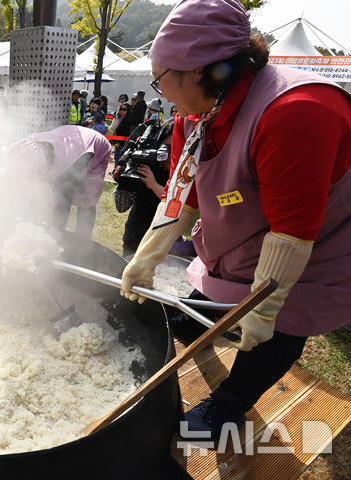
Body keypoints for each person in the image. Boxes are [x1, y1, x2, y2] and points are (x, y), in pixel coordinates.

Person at [120, 0, 351, 446]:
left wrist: (262, 309)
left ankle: (227, 406)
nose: (159, 90)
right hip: (248, 228)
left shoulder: (297, 110)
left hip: (317, 240)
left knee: (279, 321)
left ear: (202, 70)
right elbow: (181, 191)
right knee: (211, 291)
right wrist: (146, 258)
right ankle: (202, 323)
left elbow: (291, 233)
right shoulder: (194, 112)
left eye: (162, 77)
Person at [5, 125, 113, 237]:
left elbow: (64, 198)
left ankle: (83, 239)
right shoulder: (25, 148)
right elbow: (16, 184)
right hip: (68, 139)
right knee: (45, 191)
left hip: (93, 146)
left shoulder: (67, 165)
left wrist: (55, 231)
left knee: (87, 196)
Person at [111, 119, 174, 257]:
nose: (168, 154)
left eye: (175, 148)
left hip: (163, 244)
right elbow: (122, 207)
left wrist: (153, 185)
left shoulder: (182, 174)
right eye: (165, 146)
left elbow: (177, 204)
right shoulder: (146, 166)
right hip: (134, 238)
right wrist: (123, 183)